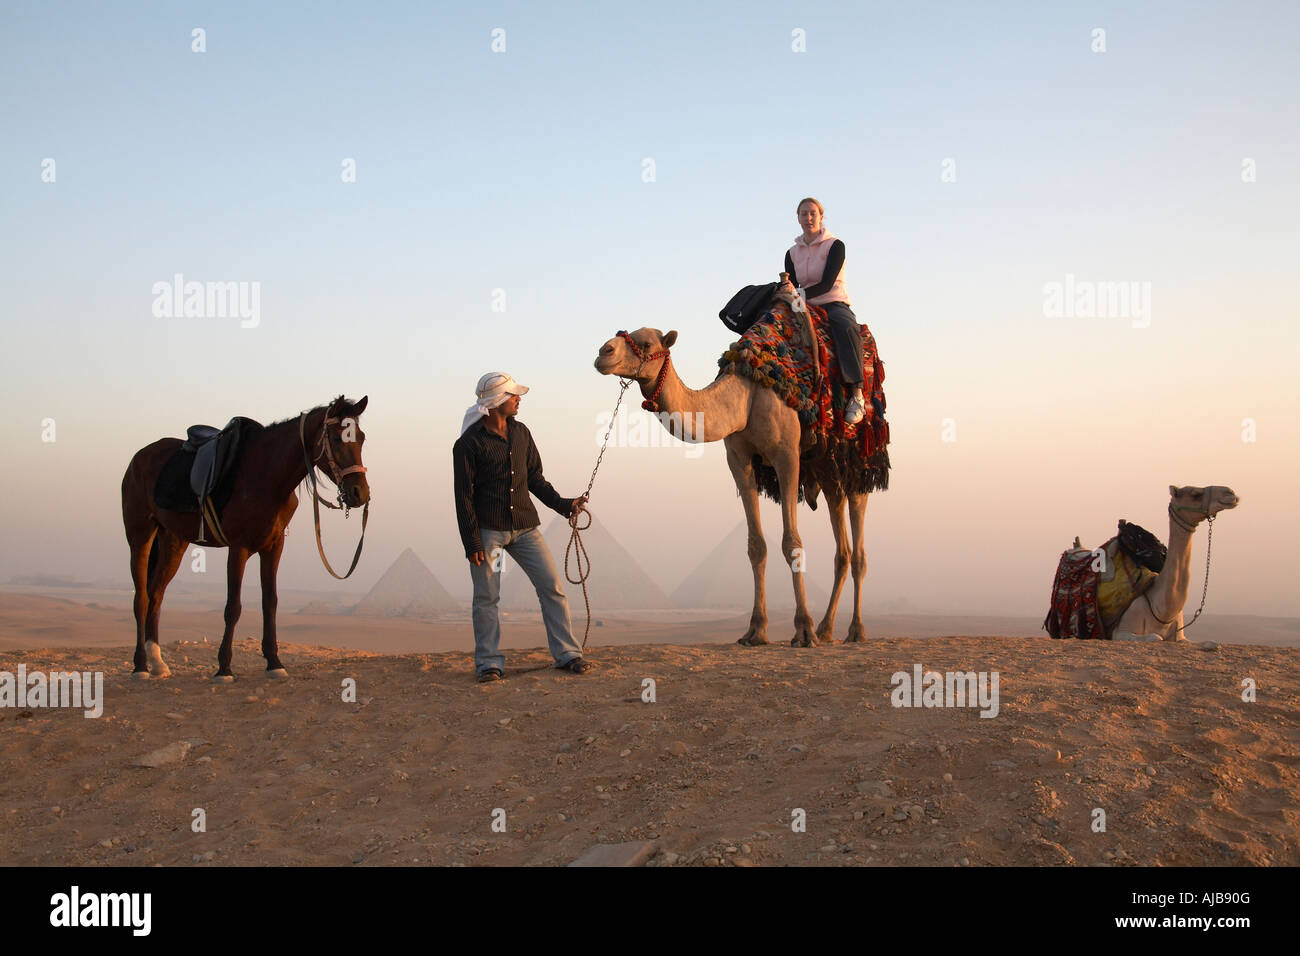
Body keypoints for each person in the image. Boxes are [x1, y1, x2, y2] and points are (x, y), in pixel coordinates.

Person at [452, 372, 592, 682]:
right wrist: (472, 542)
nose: (519, 399)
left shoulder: (522, 433)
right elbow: (463, 498)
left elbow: (535, 479)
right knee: (488, 597)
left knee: (552, 589)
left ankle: (568, 654)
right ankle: (488, 663)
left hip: (525, 530)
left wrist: (564, 504)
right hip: (490, 535)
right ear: (497, 401)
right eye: (513, 395)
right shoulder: (468, 445)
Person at [781, 197, 866, 424]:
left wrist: (799, 295)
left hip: (833, 301)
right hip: (803, 306)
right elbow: (793, 285)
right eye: (803, 214)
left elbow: (827, 283)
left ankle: (857, 393)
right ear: (797, 218)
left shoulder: (835, 246)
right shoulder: (791, 253)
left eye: (812, 213)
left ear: (821, 217)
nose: (808, 218)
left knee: (846, 328)